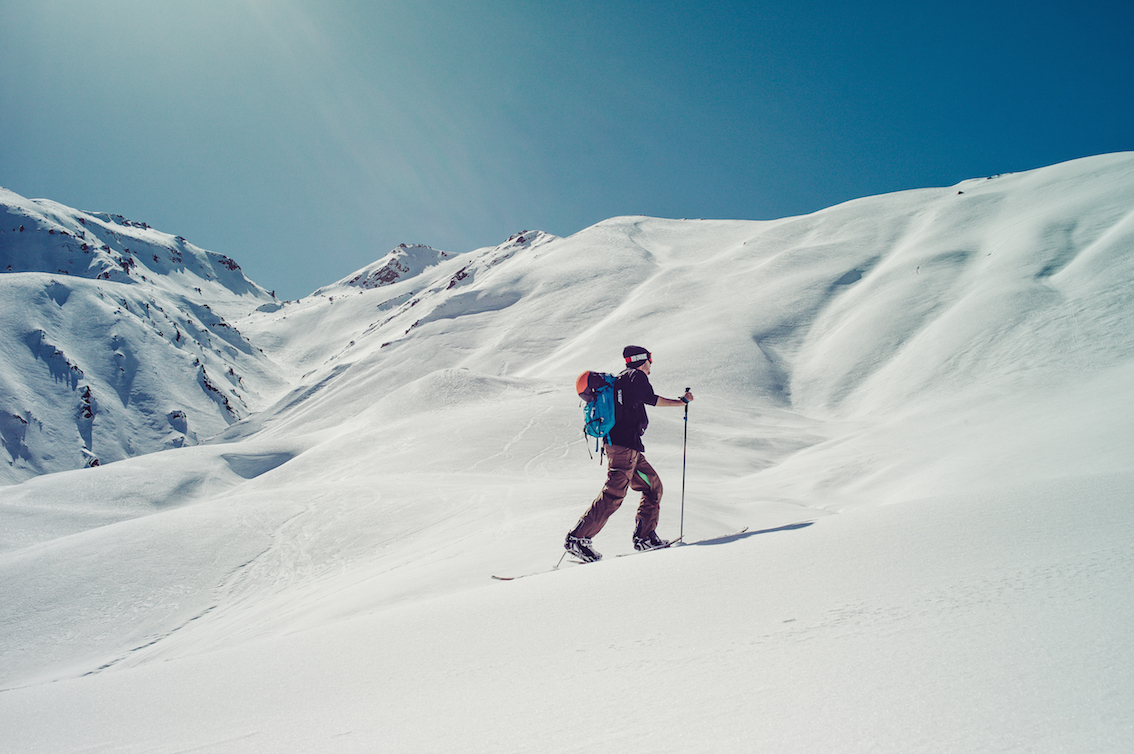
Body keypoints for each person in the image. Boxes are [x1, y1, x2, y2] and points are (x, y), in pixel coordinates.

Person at [565, 345, 694, 562]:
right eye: (650, 358)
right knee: (614, 493)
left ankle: (645, 537)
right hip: (624, 448)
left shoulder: (621, 379)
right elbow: (651, 399)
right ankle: (578, 539)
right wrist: (680, 402)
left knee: (653, 486)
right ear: (642, 360)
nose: (651, 363)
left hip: (627, 447)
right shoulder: (636, 376)